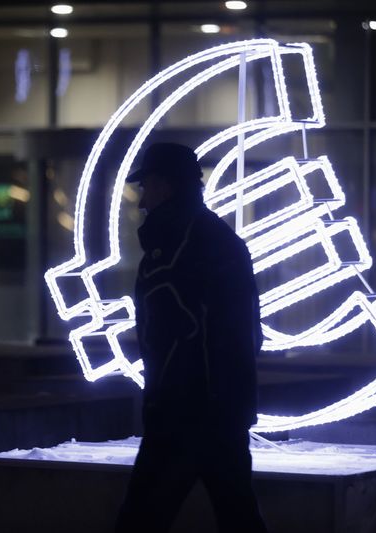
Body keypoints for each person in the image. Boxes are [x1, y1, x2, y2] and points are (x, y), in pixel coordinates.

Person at [115, 143, 268, 533]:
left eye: (145, 186)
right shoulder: (216, 239)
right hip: (221, 408)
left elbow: (175, 331)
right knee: (238, 515)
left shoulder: (180, 246)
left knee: (141, 519)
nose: (142, 200)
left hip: (185, 411)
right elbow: (249, 330)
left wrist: (168, 400)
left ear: (164, 186)